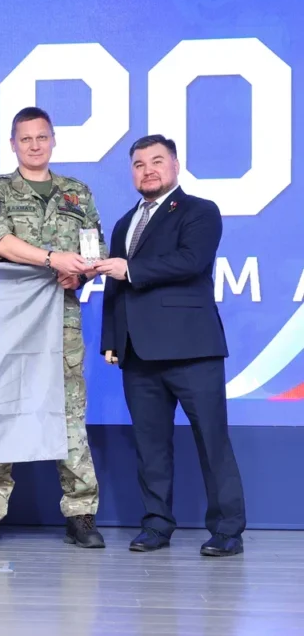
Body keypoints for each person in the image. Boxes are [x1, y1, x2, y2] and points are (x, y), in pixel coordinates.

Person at [96, 135, 246, 557]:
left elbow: (190, 261)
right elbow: (115, 285)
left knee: (212, 442)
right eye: (139, 164)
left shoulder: (200, 211)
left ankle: (228, 530)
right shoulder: (125, 223)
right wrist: (111, 338)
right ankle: (157, 524)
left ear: (176, 165)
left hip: (192, 350)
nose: (148, 170)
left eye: (157, 161)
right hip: (138, 354)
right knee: (150, 448)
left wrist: (130, 268)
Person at [0, 107, 106, 549]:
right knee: (1, 407)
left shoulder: (76, 192)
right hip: (10, 317)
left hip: (62, 317)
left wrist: (79, 274)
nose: (33, 145)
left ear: (52, 140)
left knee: (70, 413)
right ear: (13, 144)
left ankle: (81, 514)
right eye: (25, 138)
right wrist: (52, 260)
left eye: (41, 137)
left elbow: (94, 247)